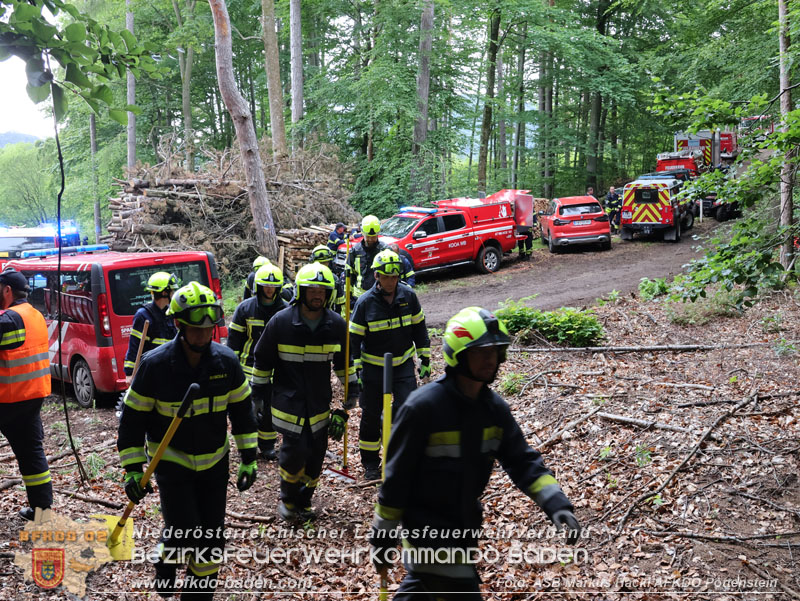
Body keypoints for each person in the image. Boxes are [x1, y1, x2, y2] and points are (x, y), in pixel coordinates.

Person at [370, 307, 581, 598]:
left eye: (495, 351)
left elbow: (522, 460)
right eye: (481, 351)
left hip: (464, 530)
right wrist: (383, 536)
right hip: (427, 534)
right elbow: (396, 480)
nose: (490, 358)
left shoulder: (494, 410)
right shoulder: (423, 408)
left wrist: (556, 504)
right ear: (458, 355)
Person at [117, 282, 257, 600]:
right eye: (196, 329)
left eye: (208, 329)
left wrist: (249, 457)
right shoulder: (155, 365)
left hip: (214, 462)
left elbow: (243, 412)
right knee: (188, 533)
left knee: (211, 539)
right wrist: (133, 469)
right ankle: (168, 559)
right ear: (179, 325)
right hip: (171, 460)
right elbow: (132, 421)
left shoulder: (227, 363)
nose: (203, 336)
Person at [253, 262, 358, 522]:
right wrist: (257, 396)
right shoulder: (281, 322)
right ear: (301, 291)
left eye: (322, 290)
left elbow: (345, 364)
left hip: (319, 405)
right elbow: (262, 360)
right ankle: (288, 500)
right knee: (294, 452)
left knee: (316, 456)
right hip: (288, 405)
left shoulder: (336, 325)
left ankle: (305, 499)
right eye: (312, 289)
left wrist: (349, 399)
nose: (317, 295)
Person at [349, 250, 429, 481]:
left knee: (409, 409)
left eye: (395, 277)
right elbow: (354, 340)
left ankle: (405, 456)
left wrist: (424, 358)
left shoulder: (409, 296)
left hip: (403, 364)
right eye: (386, 277)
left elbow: (419, 328)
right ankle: (371, 464)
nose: (391, 282)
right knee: (371, 415)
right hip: (373, 368)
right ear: (377, 276)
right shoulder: (365, 303)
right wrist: (357, 370)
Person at [0, 268, 52, 521]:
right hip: (32, 397)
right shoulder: (35, 315)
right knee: (32, 456)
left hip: (7, 399)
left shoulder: (10, 319)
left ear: (7, 290)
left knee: (31, 455)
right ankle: (41, 512)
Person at [229, 263, 288, 461]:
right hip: (247, 369)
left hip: (274, 370)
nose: (269, 289)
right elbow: (234, 342)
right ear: (258, 286)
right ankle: (246, 445)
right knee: (246, 410)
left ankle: (267, 445)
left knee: (270, 408)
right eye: (265, 285)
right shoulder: (245, 309)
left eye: (273, 286)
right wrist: (232, 370)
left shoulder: (285, 310)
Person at [123, 272, 179, 379]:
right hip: (151, 372)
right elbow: (135, 346)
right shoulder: (143, 316)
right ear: (164, 292)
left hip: (170, 370)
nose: (173, 293)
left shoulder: (170, 313)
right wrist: (130, 373)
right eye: (171, 290)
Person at [347, 215, 387, 301]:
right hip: (359, 296)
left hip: (380, 295)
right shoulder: (355, 251)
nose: (371, 239)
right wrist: (348, 296)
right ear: (362, 233)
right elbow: (349, 274)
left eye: (373, 236)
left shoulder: (384, 250)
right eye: (368, 236)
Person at [309, 244, 346, 313]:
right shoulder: (306, 278)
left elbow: (339, 304)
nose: (322, 265)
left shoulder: (335, 279)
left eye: (324, 263)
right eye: (320, 263)